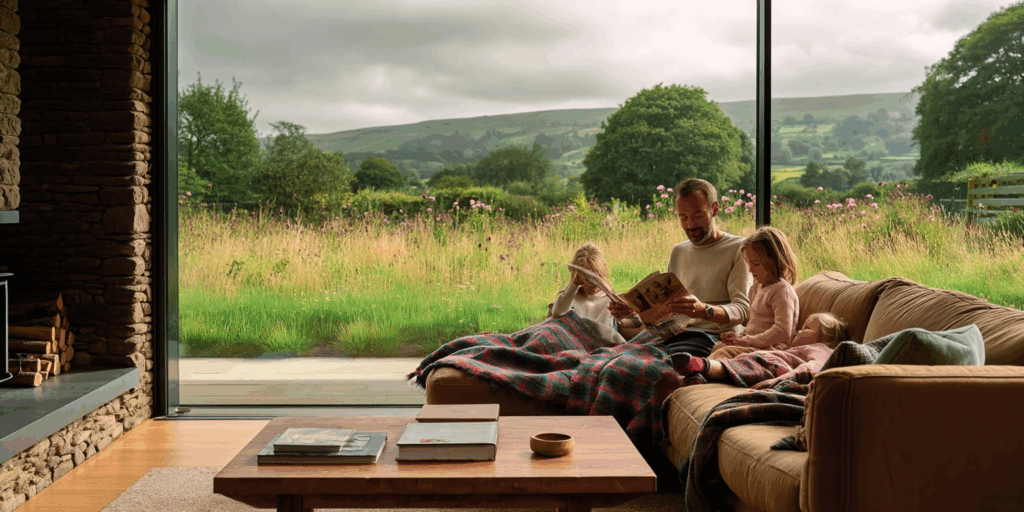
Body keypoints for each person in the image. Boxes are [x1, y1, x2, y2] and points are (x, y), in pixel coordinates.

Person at [609, 178, 752, 340]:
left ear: (715, 209)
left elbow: (744, 310)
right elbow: (667, 311)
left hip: (713, 337)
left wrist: (704, 310)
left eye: (698, 215)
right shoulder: (678, 251)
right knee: (615, 361)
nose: (690, 225)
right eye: (683, 217)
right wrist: (635, 310)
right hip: (673, 334)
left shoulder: (738, 248)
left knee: (651, 363)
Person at [709, 226, 800, 359]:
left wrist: (747, 341)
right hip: (753, 345)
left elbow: (782, 332)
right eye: (748, 263)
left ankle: (701, 374)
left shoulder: (782, 291)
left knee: (723, 353)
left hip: (771, 350)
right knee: (718, 347)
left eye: (756, 263)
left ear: (775, 260)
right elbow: (754, 326)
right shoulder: (756, 288)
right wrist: (739, 337)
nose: (750, 269)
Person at [676, 312, 849, 380]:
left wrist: (780, 381)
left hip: (773, 369)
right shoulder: (794, 349)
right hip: (762, 362)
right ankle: (700, 373)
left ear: (827, 338)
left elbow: (813, 368)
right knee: (732, 356)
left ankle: (701, 367)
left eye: (807, 328)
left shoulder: (822, 349)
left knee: (743, 365)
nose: (799, 331)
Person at [548, 242, 624, 333]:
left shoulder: (610, 299)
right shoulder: (570, 298)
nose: (594, 285)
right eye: (588, 280)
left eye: (598, 277)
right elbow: (557, 313)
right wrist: (574, 284)